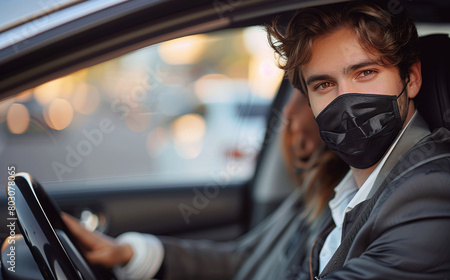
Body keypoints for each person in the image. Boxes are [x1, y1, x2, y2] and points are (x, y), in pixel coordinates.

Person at [265, 1, 450, 279]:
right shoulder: (340, 188)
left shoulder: (436, 191)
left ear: (411, 78)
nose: (346, 102)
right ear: (309, 100)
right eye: (324, 85)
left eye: (365, 73)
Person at [63, 89, 349, 279]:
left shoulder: (360, 210)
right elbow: (242, 260)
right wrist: (130, 252)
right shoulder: (316, 192)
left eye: (311, 89)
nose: (289, 111)